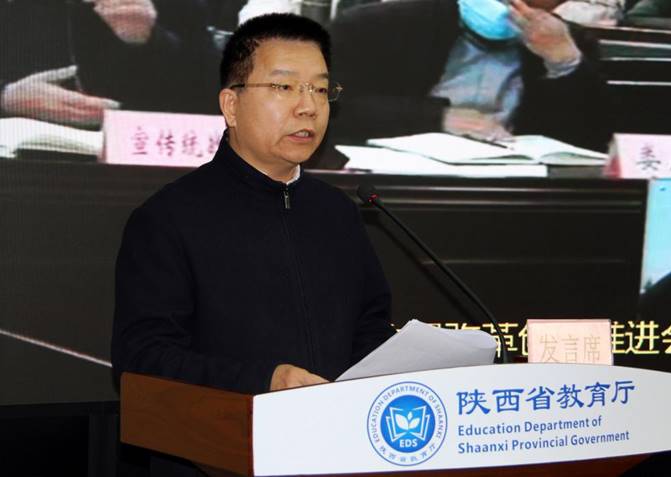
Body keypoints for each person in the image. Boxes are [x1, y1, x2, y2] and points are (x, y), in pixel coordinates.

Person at [111, 13, 394, 475]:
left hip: (340, 454)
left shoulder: (339, 213)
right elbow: (143, 359)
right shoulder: (169, 218)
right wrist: (265, 381)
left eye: (320, 89)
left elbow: (369, 326)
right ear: (231, 105)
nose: (308, 107)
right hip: (217, 458)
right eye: (284, 87)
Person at [327, 0, 612, 151]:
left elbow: (592, 142)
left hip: (512, 192)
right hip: (393, 184)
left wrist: (566, 65)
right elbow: (327, 108)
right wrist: (437, 118)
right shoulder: (378, 24)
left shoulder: (569, 42)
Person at [0, 0, 218, 128]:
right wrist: (6, 98)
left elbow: (215, 103)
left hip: (132, 167)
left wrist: (152, 39)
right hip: (18, 166)